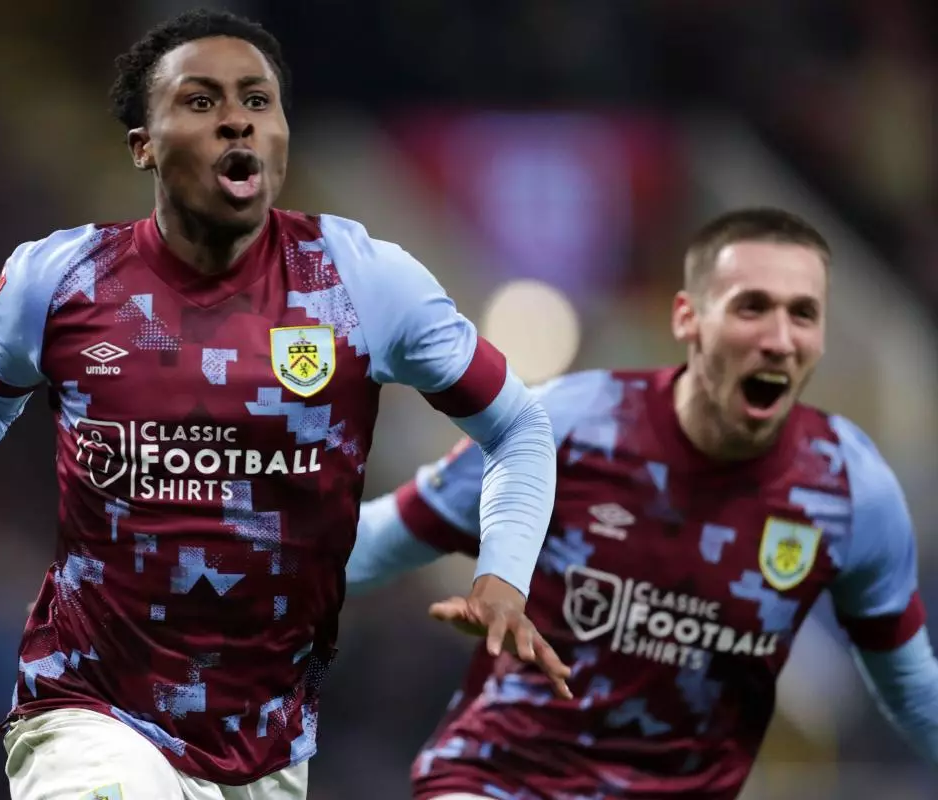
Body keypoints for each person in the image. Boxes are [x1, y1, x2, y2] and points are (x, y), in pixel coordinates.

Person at [0, 9, 571, 800]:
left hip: (266, 743)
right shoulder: (63, 279)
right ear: (144, 143)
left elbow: (519, 427)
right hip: (89, 708)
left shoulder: (365, 283)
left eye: (258, 99)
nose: (237, 119)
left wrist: (505, 574)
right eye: (201, 102)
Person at [346, 207, 938, 800]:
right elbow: (374, 543)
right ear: (689, 318)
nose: (779, 340)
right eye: (752, 307)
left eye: (802, 314)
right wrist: (256, 554)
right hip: (502, 784)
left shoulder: (847, 488)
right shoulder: (568, 429)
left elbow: (911, 691)